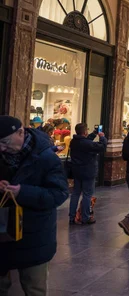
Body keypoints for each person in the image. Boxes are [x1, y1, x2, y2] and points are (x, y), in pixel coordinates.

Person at [0, 116, 69, 295]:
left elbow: (59, 194)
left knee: (34, 287)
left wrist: (23, 192)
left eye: (5, 142)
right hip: (2, 232)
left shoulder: (47, 158)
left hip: (34, 235)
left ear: (21, 132)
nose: (2, 147)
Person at [68, 123, 107, 225]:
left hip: (77, 171)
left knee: (75, 194)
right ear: (85, 132)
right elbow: (102, 147)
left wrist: (93, 134)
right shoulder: (86, 143)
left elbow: (86, 141)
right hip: (88, 172)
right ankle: (85, 217)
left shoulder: (74, 141)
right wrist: (102, 137)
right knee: (87, 195)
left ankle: (72, 216)